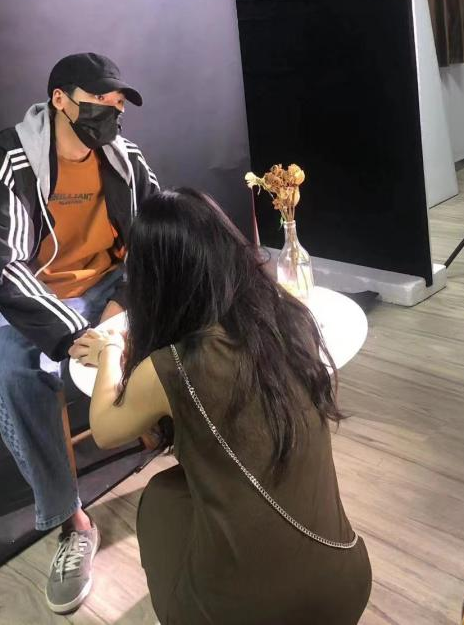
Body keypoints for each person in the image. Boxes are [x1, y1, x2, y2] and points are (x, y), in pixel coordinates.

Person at [70, 188, 372, 625]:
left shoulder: (173, 366)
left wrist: (112, 351)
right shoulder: (291, 319)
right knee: (183, 489)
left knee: (160, 503)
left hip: (254, 614)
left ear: (156, 280)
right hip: (347, 582)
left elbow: (104, 429)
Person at [0, 53, 160, 613]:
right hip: (37, 291)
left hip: (109, 283)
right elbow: (4, 266)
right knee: (13, 372)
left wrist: (123, 302)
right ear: (60, 100)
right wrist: (75, 334)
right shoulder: (8, 159)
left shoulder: (124, 157)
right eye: (99, 102)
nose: (111, 114)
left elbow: (156, 236)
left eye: (118, 105)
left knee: (185, 311)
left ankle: (188, 442)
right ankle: (72, 522)